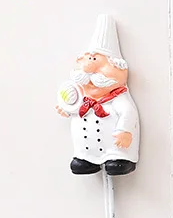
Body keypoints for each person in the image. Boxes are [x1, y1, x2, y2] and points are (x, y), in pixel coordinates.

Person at [56, 15, 139, 176]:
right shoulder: (81, 94)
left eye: (97, 62)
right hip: (87, 150)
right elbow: (73, 106)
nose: (90, 70)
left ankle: (119, 159)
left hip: (116, 149)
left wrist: (125, 131)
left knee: (117, 159)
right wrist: (66, 108)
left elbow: (128, 113)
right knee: (83, 160)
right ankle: (85, 159)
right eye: (89, 60)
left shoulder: (119, 98)